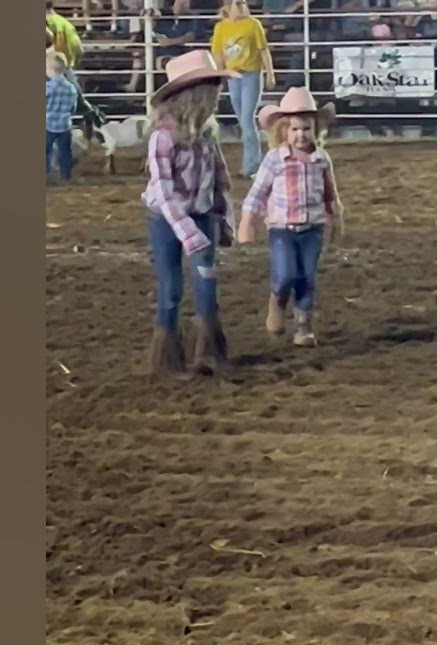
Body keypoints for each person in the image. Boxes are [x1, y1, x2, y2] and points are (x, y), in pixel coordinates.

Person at [141, 50, 239, 378]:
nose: (217, 96)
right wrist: (189, 231)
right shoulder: (163, 138)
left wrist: (224, 221)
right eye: (212, 89)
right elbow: (164, 193)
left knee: (206, 283)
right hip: (166, 219)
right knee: (170, 287)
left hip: (201, 214)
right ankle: (169, 354)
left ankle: (207, 352)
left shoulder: (208, 135)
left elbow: (220, 180)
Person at [237, 87, 342, 348]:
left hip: (312, 228)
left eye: (306, 128)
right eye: (295, 129)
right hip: (282, 228)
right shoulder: (275, 159)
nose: (301, 135)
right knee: (285, 274)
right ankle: (278, 300)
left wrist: (335, 219)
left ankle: (304, 326)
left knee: (307, 276)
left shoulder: (321, 160)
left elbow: (330, 193)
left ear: (315, 129)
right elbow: (257, 192)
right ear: (284, 130)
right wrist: (246, 222)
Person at [210, 0, 277, 177]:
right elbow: (217, 54)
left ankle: (252, 165)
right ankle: (252, 163)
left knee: (246, 119)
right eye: (238, 3)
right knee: (244, 120)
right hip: (234, 76)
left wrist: (270, 73)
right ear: (228, 7)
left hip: (250, 74)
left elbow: (264, 50)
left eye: (242, 3)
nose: (241, 6)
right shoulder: (221, 27)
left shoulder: (253, 24)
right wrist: (220, 73)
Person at [46, 51, 79, 182]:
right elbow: (73, 107)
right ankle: (66, 176)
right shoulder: (71, 88)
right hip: (65, 125)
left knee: (45, 150)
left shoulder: (47, 88)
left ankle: (47, 173)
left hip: (48, 124)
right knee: (65, 152)